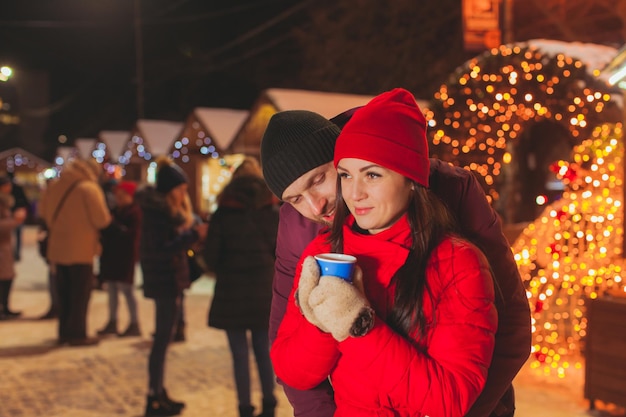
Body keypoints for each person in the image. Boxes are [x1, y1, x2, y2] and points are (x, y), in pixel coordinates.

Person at [260, 105, 531, 414]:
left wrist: (357, 325)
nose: (315, 206)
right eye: (295, 199)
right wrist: (319, 323)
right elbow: (291, 363)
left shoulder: (453, 213)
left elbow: (510, 322)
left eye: (319, 179)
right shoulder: (307, 236)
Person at [202, 156, 279, 417]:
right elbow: (279, 251)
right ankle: (269, 403)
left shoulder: (223, 211)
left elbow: (211, 256)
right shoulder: (272, 210)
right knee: (263, 350)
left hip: (231, 290)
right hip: (263, 288)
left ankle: (244, 407)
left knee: (238, 353)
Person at [136, 157, 207, 417]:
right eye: (180, 190)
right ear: (169, 190)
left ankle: (159, 392)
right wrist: (191, 236)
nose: (184, 194)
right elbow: (159, 251)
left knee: (164, 340)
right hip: (163, 281)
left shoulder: (165, 213)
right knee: (161, 342)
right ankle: (153, 397)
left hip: (168, 281)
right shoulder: (157, 215)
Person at [39, 159, 112, 346]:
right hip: (81, 248)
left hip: (58, 248)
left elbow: (44, 213)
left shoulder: (54, 186)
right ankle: (77, 334)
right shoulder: (89, 188)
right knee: (80, 294)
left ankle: (64, 332)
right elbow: (101, 220)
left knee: (63, 292)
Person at [97, 180, 143, 337]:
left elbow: (129, 236)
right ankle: (112, 321)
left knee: (127, 290)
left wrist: (113, 225)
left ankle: (134, 323)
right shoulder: (117, 211)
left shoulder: (134, 213)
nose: (118, 198)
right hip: (112, 257)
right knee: (112, 290)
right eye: (117, 195)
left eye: (122, 195)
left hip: (125, 257)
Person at [0, 176, 27, 319]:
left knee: (7, 278)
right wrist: (14, 221)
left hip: (5, 247)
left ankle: (5, 307)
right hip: (1, 248)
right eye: (6, 185)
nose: (9, 188)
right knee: (4, 279)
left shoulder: (6, 202)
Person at [7, 172, 29, 261]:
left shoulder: (10, 190)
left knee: (10, 236)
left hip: (13, 215)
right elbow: (26, 202)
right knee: (16, 235)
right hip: (16, 214)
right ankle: (16, 254)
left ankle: (13, 253)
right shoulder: (18, 189)